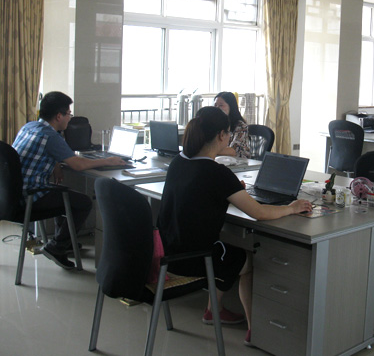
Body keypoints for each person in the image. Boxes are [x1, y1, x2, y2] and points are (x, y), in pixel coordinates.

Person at [157, 107, 312, 346]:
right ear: (221, 135)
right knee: (246, 260)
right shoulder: (217, 173)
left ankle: (214, 309)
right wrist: (291, 208)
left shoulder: (179, 161)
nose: (230, 137)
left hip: (168, 252)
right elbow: (260, 213)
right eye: (229, 133)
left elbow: (200, 192)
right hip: (196, 259)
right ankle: (252, 329)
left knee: (227, 249)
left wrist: (231, 190)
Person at [12, 91, 128, 269]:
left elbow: (39, 152)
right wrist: (108, 161)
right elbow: (78, 165)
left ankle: (64, 241)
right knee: (83, 202)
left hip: (14, 194)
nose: (69, 118)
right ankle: (57, 246)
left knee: (63, 194)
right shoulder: (51, 136)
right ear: (59, 116)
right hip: (31, 196)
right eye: (68, 114)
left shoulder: (30, 127)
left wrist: (56, 164)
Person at [210, 91, 251, 158]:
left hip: (239, 162)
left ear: (231, 107)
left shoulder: (241, 126)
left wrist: (207, 151)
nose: (217, 108)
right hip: (221, 159)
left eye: (221, 105)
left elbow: (233, 151)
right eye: (215, 105)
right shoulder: (216, 123)